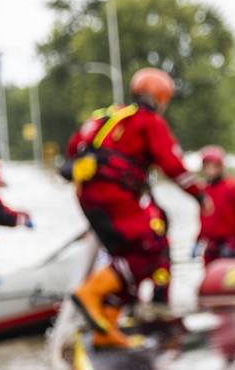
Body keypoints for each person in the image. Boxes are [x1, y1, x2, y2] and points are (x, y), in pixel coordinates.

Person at [65, 67, 204, 348]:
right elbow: (172, 163)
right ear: (161, 97)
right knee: (151, 249)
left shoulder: (106, 116)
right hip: (114, 194)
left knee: (123, 257)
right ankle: (89, 293)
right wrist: (199, 195)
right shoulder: (147, 121)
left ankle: (106, 329)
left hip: (86, 193)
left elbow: (72, 149)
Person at [196, 145, 235, 264]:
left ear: (221, 167)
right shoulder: (203, 192)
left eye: (214, 166)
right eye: (207, 166)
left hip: (230, 244)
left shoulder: (233, 187)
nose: (211, 170)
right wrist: (198, 240)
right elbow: (204, 220)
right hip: (211, 245)